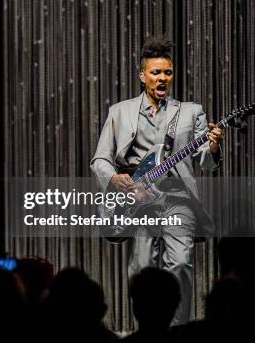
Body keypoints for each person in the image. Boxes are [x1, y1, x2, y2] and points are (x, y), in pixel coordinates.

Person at [90, 35, 224, 325]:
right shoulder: (120, 111)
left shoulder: (191, 112)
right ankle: (147, 331)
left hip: (178, 199)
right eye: (155, 72)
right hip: (139, 199)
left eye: (167, 72)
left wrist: (212, 145)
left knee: (180, 264)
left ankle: (177, 330)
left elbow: (207, 162)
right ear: (143, 76)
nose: (162, 78)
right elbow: (100, 159)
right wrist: (115, 179)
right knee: (141, 268)